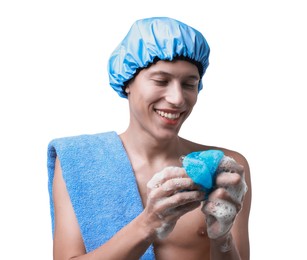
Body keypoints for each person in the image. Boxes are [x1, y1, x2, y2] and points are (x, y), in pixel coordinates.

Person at [47, 16, 252, 260]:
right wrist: (148, 223)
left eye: (189, 84)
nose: (177, 98)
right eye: (161, 80)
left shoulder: (224, 168)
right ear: (127, 82)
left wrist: (222, 238)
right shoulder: (79, 161)